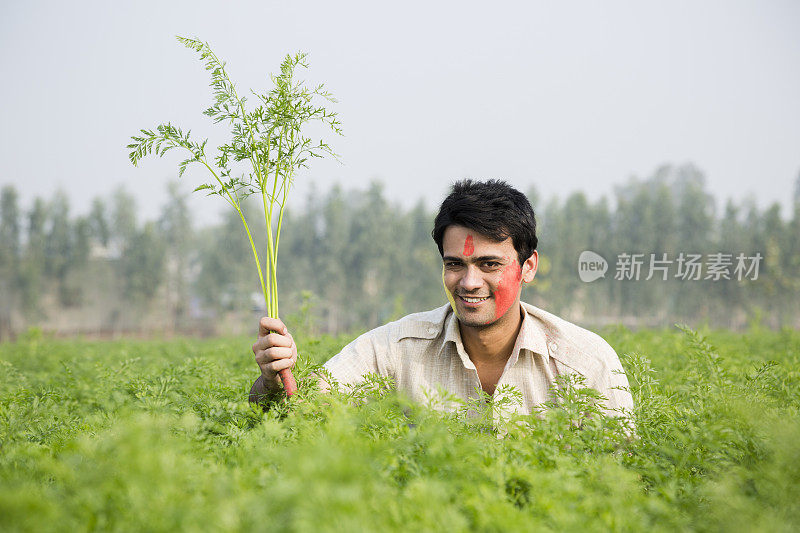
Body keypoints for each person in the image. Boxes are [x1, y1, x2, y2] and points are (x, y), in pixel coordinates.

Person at [250, 179, 633, 423]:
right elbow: (301, 414)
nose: (469, 282)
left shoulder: (585, 361)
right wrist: (272, 379)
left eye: (489, 264)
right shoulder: (393, 349)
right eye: (455, 264)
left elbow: (623, 480)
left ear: (528, 267)